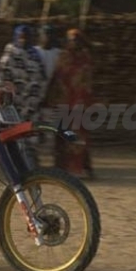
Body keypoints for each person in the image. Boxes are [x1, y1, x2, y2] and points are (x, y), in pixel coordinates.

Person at [45, 28, 94, 178]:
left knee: (79, 136)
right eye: (71, 40)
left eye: (76, 40)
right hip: (63, 101)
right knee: (61, 135)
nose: (74, 43)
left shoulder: (85, 58)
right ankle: (60, 168)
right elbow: (55, 78)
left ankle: (81, 168)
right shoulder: (63, 57)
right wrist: (49, 97)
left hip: (79, 102)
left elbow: (87, 82)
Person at [0, 25, 47, 123]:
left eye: (26, 37)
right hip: (14, 102)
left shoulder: (35, 55)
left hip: (31, 104)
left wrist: (38, 97)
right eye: (20, 37)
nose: (23, 40)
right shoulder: (10, 54)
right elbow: (3, 77)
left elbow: (41, 79)